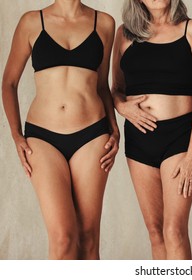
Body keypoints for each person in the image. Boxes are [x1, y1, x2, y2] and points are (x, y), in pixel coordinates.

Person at [2, 0, 119, 259]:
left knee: (88, 239)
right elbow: (8, 83)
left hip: (92, 134)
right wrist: (16, 135)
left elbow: (101, 86)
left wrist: (114, 129)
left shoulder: (105, 23)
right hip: (43, 138)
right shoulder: (31, 21)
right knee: (63, 238)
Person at [111, 0, 192, 260]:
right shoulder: (125, 33)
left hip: (181, 136)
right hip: (139, 138)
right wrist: (122, 107)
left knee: (174, 230)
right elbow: (116, 90)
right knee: (155, 231)